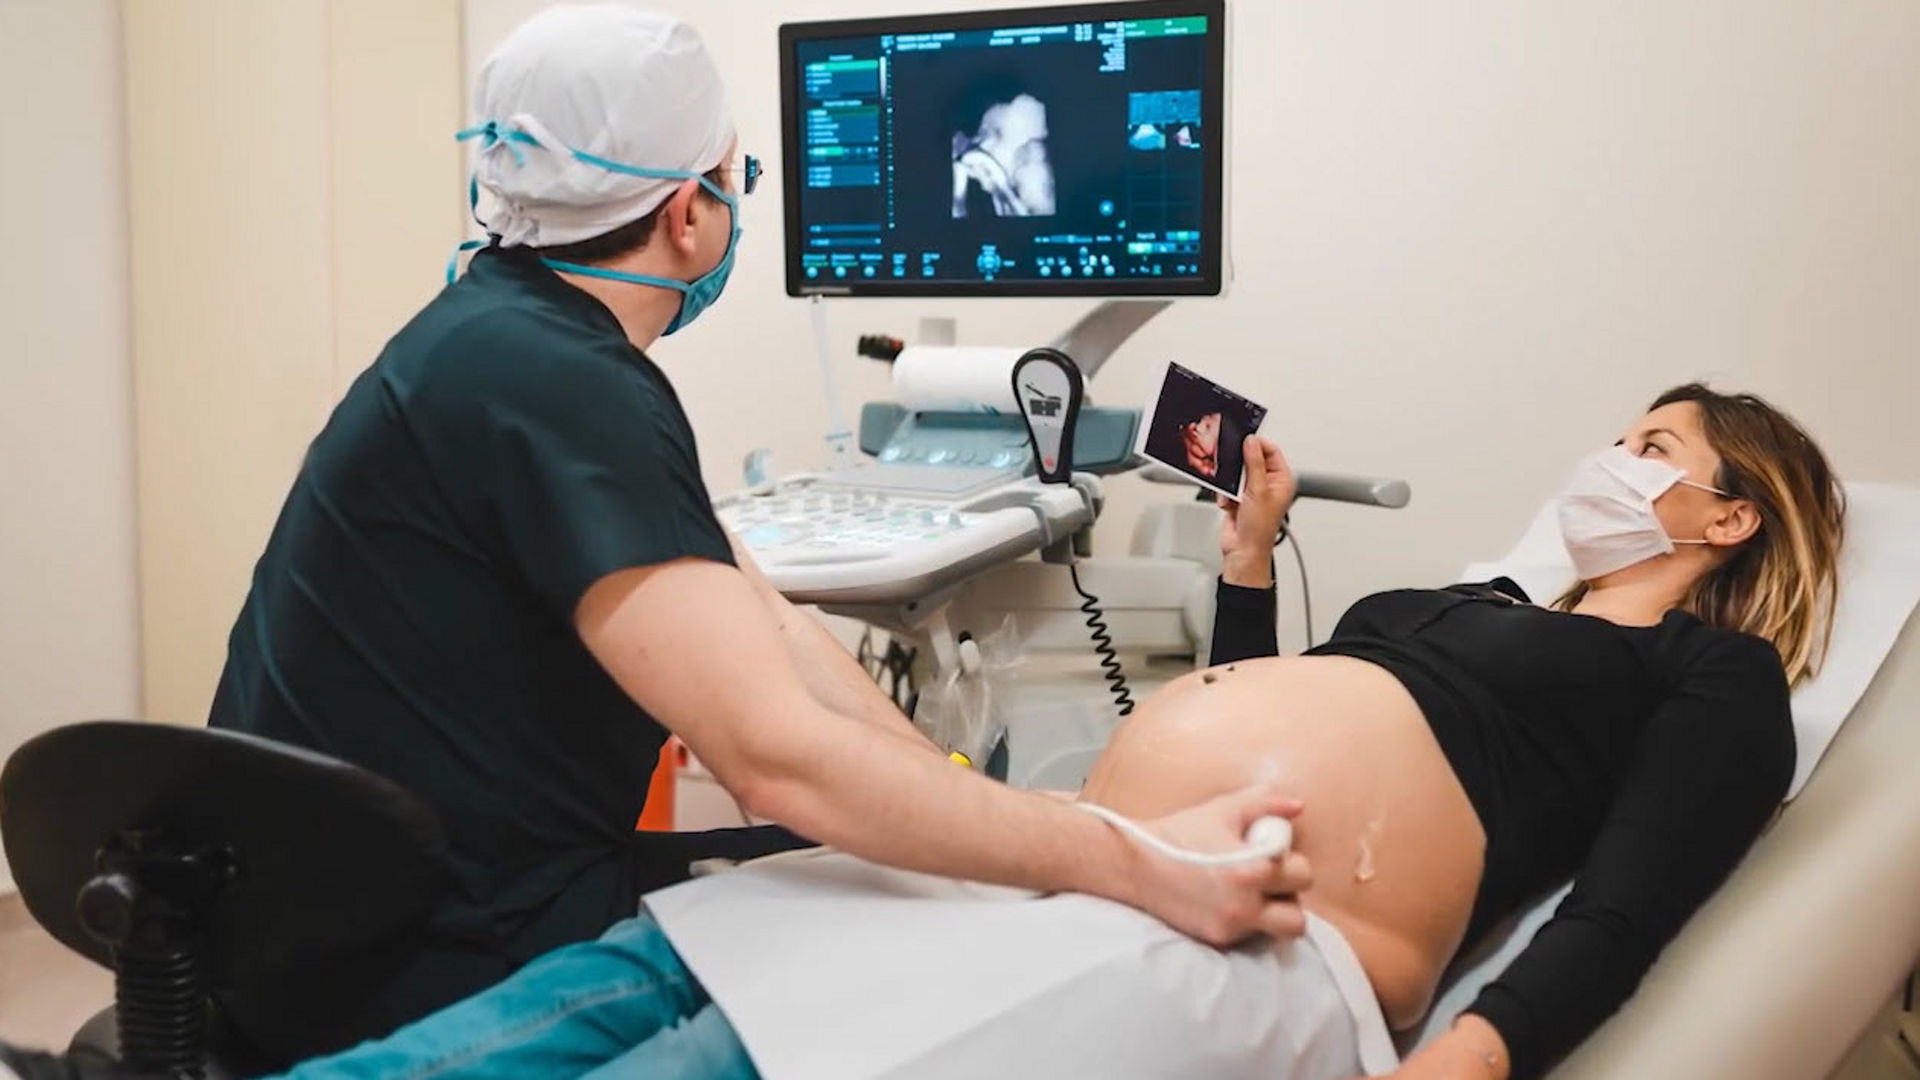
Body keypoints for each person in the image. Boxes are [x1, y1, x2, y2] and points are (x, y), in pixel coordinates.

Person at [16, 5, 1301, 1069]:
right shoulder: (563, 385)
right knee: (849, 921)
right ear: (689, 215)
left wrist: (976, 808)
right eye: (739, 182)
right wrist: (1127, 861)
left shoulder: (503, 333)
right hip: (414, 947)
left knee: (884, 869)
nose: (737, 208)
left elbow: (779, 639)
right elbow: (783, 768)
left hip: (336, 899)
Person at [161, 382, 1837, 1080]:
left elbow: (1631, 900)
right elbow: (1283, 698)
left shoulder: (1709, 686)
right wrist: (1247, 572)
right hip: (1094, 862)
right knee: (647, 963)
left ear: (1735, 517)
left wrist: (1478, 1059)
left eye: (1656, 446)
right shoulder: (1483, 608)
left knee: (725, 1060)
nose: (1615, 460)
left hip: (1266, 936)